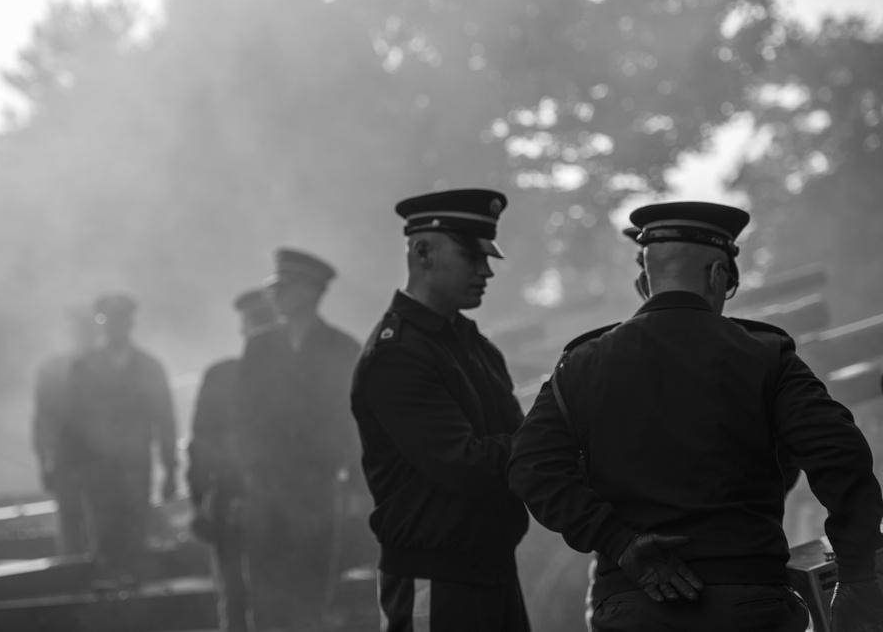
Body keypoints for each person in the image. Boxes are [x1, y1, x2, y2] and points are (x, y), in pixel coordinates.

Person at [508, 201, 883, 632]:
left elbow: (530, 467)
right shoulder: (765, 355)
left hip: (632, 605)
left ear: (646, 280)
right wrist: (856, 576)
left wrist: (619, 542)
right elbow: (839, 453)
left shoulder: (580, 364)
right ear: (718, 276)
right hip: (752, 604)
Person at [350, 188, 531, 632]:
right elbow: (466, 463)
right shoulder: (398, 354)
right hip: (437, 576)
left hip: (491, 568)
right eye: (472, 255)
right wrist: (550, 441)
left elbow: (516, 442)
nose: (486, 270)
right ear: (423, 252)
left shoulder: (475, 346)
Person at [235, 249, 363, 630]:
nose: (275, 295)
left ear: (309, 291)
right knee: (264, 588)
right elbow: (243, 417)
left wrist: (356, 484)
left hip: (316, 488)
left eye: (284, 287)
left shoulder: (343, 348)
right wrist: (243, 477)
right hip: (265, 488)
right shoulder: (258, 348)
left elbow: (355, 421)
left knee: (311, 586)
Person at [62, 293, 178, 580]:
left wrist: (170, 468)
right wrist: (71, 469)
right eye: (107, 320)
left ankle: (135, 603)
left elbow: (165, 421)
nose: (113, 327)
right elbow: (71, 424)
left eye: (120, 320)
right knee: (102, 539)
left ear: (130, 324)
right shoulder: (83, 368)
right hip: (96, 469)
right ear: (100, 325)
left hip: (135, 466)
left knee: (135, 536)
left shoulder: (150, 368)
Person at [187, 288, 279, 632]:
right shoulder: (222, 377)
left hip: (286, 507)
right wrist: (201, 502)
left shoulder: (297, 380)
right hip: (234, 504)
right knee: (237, 596)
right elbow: (202, 446)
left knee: (279, 599)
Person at [32, 304, 98, 556]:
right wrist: (44, 460)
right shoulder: (52, 369)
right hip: (66, 460)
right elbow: (42, 419)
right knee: (71, 526)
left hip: (103, 464)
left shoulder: (108, 369)